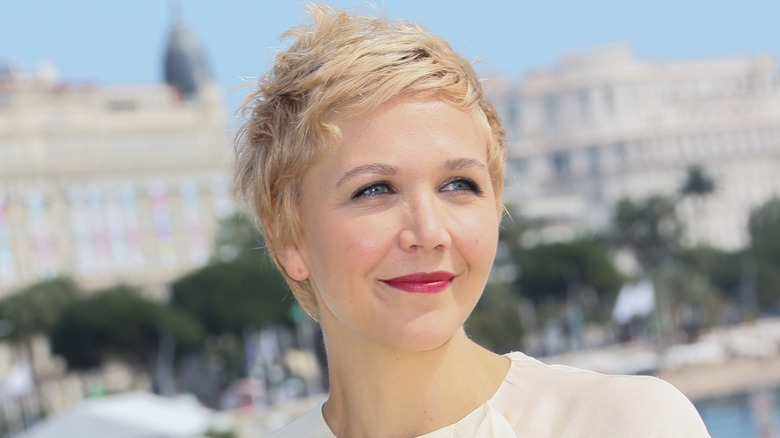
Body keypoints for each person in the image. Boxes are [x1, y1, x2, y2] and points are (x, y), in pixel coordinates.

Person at [234, 4, 711, 437]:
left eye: (458, 185)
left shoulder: (626, 423)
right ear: (289, 237)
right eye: (375, 190)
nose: (429, 233)